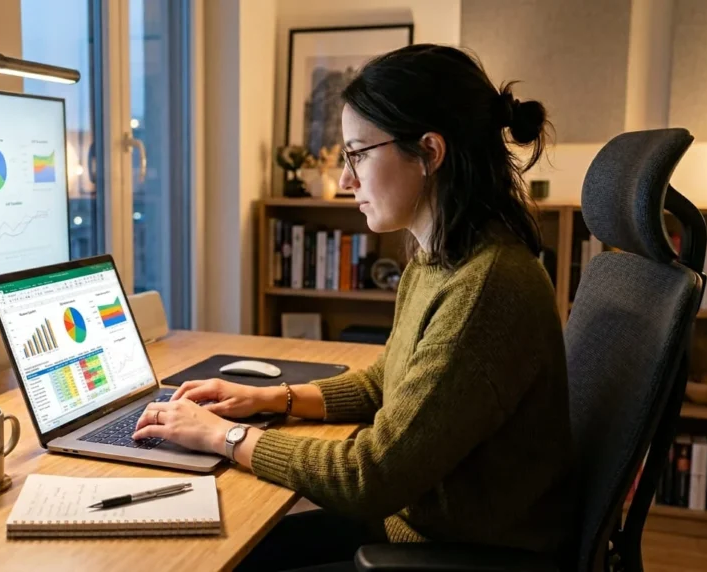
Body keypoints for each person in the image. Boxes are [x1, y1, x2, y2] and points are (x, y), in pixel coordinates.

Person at [132, 43, 576, 571]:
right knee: (213, 549)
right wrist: (265, 399)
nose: (346, 181)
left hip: (454, 554)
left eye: (358, 154)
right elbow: (383, 383)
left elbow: (369, 478)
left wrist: (221, 436)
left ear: (430, 153)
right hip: (416, 529)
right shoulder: (441, 259)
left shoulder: (485, 289)